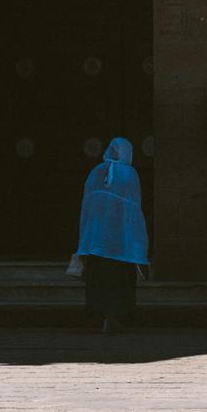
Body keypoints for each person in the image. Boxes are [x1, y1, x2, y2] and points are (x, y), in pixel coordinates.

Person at [75, 136, 149, 335]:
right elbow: (133, 210)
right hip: (119, 240)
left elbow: (88, 206)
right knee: (119, 279)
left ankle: (103, 316)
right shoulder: (128, 174)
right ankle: (116, 316)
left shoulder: (96, 172)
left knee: (101, 278)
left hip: (98, 239)